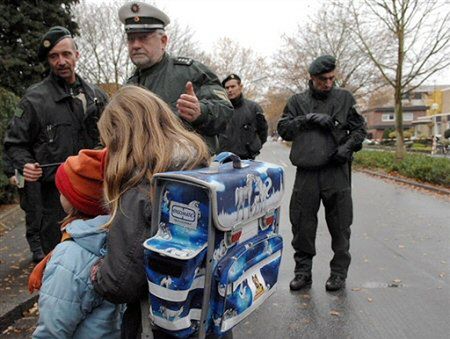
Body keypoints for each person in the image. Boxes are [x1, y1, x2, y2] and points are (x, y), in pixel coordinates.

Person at [90, 85, 210, 338]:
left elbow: (119, 283)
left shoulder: (140, 190)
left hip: (160, 326)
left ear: (122, 140)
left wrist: (97, 273)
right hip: (206, 317)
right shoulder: (198, 167)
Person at [4, 26, 108, 255]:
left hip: (94, 195)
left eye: (66, 54)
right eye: (54, 56)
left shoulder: (97, 97)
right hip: (53, 201)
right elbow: (14, 144)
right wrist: (24, 165)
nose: (61, 61)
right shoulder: (35, 99)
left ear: (77, 55)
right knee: (57, 259)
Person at [277, 55, 367, 292]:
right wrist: (308, 119)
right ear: (312, 78)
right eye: (322, 79)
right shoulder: (297, 101)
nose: (328, 83)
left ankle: (338, 273)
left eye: (331, 78)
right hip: (306, 173)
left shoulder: (345, 99)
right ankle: (303, 273)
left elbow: (359, 130)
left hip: (336, 173)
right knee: (303, 225)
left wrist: (346, 149)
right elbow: (283, 129)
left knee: (340, 225)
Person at [118, 1, 233, 154]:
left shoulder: (191, 72)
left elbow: (226, 111)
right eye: (131, 38)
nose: (136, 45)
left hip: (188, 172)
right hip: (143, 173)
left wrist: (201, 112)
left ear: (163, 41)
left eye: (143, 37)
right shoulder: (129, 87)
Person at [32, 148, 122, 339]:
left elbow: (52, 330)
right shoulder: (120, 238)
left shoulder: (70, 256)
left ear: (76, 201)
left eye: (63, 190)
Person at [2, 152, 44, 262]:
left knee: (46, 210)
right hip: (24, 177)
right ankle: (37, 248)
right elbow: (11, 152)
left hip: (44, 174)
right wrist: (11, 174)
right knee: (32, 210)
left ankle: (46, 243)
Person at [219, 74, 268, 159]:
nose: (230, 90)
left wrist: (253, 147)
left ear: (240, 87)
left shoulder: (254, 108)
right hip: (224, 159)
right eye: (227, 88)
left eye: (233, 86)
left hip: (247, 159)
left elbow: (263, 131)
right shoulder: (220, 109)